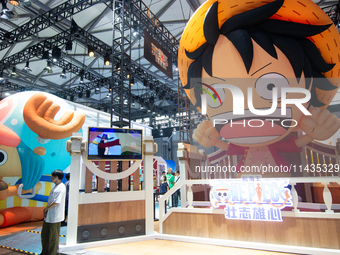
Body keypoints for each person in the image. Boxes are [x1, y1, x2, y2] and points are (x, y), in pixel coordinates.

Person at [40, 170, 66, 255]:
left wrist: (46, 209)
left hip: (55, 217)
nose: (50, 177)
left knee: (53, 238)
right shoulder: (55, 186)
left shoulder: (61, 187)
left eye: (52, 176)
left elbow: (56, 202)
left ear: (56, 177)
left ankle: (52, 253)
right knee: (45, 235)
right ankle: (45, 252)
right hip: (49, 217)